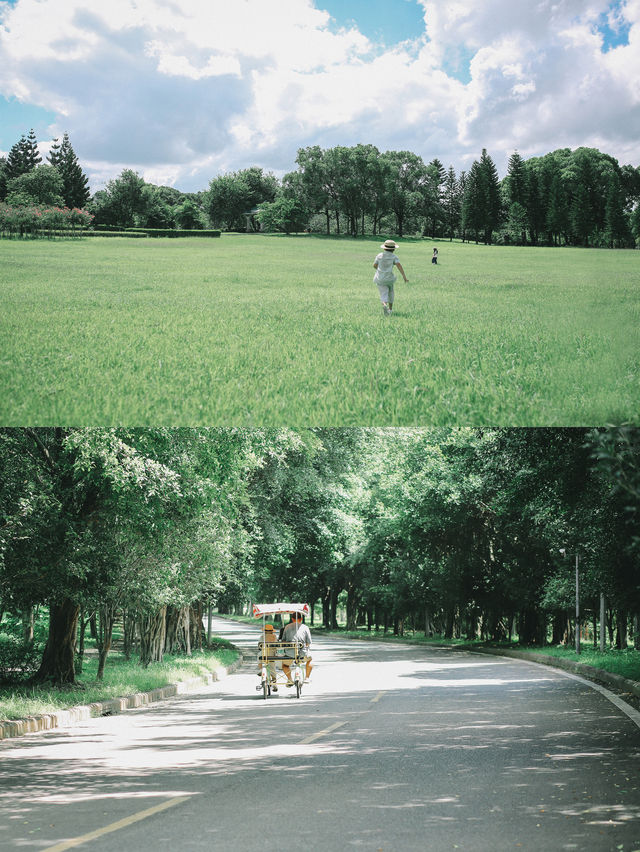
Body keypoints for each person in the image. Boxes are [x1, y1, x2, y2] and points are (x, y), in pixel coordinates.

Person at [373, 239, 408, 316]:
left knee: (383, 293)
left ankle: (384, 305)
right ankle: (390, 309)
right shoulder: (394, 257)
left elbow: (374, 265)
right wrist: (404, 277)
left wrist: (380, 270)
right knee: (391, 292)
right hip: (389, 279)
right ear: (393, 249)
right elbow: (399, 265)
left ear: (384, 248)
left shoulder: (379, 255)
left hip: (380, 279)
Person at [281, 612, 313, 685]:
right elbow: (308, 642)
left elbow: (283, 641)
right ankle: (307, 677)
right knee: (310, 660)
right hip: (302, 653)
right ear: (301, 619)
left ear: (292, 619)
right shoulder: (305, 627)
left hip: (289, 654)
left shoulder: (287, 627)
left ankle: (289, 679)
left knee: (285, 665)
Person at [258, 623, 279, 691]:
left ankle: (261, 670)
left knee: (259, 658)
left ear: (265, 631)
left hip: (263, 653)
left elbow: (259, 646)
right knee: (272, 668)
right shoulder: (274, 636)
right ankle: (274, 683)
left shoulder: (262, 637)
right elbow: (276, 646)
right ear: (272, 631)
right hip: (271, 654)